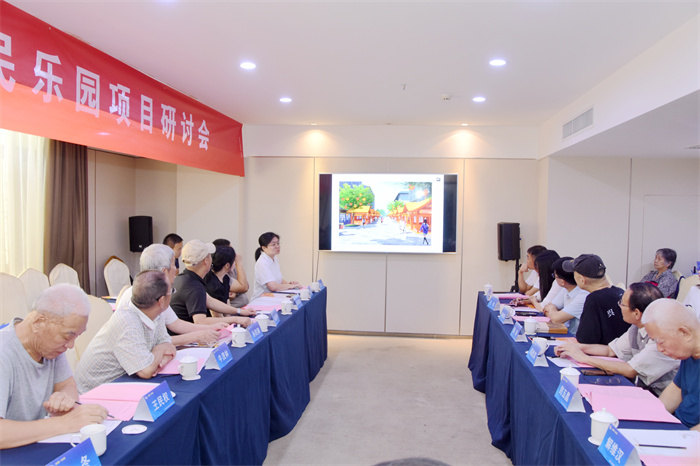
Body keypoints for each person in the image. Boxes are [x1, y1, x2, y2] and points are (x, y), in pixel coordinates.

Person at [0, 284, 108, 449]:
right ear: (38, 322)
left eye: (76, 337)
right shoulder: (4, 353)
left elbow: (67, 385)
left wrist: (64, 398)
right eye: (67, 336)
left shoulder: (48, 347)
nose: (71, 346)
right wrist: (64, 423)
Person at [556, 283, 678, 395]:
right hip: (645, 390)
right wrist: (577, 347)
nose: (619, 306)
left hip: (661, 396)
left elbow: (630, 370)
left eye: (622, 304)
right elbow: (610, 350)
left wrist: (584, 358)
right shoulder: (637, 327)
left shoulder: (661, 338)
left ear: (636, 313)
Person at [74, 271, 178, 393]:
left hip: (122, 385)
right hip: (92, 393)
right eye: (171, 291)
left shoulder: (155, 313)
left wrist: (157, 361)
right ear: (161, 301)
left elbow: (167, 344)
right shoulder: (126, 321)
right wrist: (159, 350)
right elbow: (146, 371)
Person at [116, 243, 227, 346]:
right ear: (164, 271)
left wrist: (212, 327)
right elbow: (153, 343)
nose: (175, 269)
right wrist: (197, 336)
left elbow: (176, 324)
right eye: (174, 264)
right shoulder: (140, 297)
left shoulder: (156, 291)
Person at [642, 298, 700, 430]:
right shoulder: (689, 353)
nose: (659, 349)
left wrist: (683, 437)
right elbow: (676, 390)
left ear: (685, 333)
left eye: (661, 342)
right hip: (680, 426)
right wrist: (649, 419)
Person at [170, 240, 255, 325]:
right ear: (206, 261)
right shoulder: (194, 286)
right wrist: (235, 319)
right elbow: (201, 321)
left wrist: (239, 311)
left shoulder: (183, 278)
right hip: (189, 332)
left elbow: (211, 302)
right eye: (210, 256)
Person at [564, 254, 628, 345]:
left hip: (603, 352)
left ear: (582, 280)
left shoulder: (594, 299)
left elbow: (585, 339)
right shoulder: (620, 292)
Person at [538, 257, 589, 335]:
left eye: (555, 276)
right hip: (564, 332)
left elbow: (555, 319)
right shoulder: (566, 289)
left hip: (575, 337)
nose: (554, 279)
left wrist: (553, 313)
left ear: (562, 281)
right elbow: (547, 307)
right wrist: (554, 313)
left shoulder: (583, 295)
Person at [252, 232, 299, 301]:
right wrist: (290, 286)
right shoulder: (262, 263)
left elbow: (279, 279)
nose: (277, 246)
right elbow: (273, 287)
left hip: (273, 296)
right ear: (264, 248)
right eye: (273, 244)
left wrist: (289, 284)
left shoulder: (274, 259)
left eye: (278, 243)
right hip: (262, 300)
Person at [212, 238, 250, 308]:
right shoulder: (220, 273)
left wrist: (236, 292)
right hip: (233, 309)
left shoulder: (232, 266)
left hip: (242, 307)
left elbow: (246, 286)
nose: (234, 254)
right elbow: (244, 287)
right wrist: (239, 263)